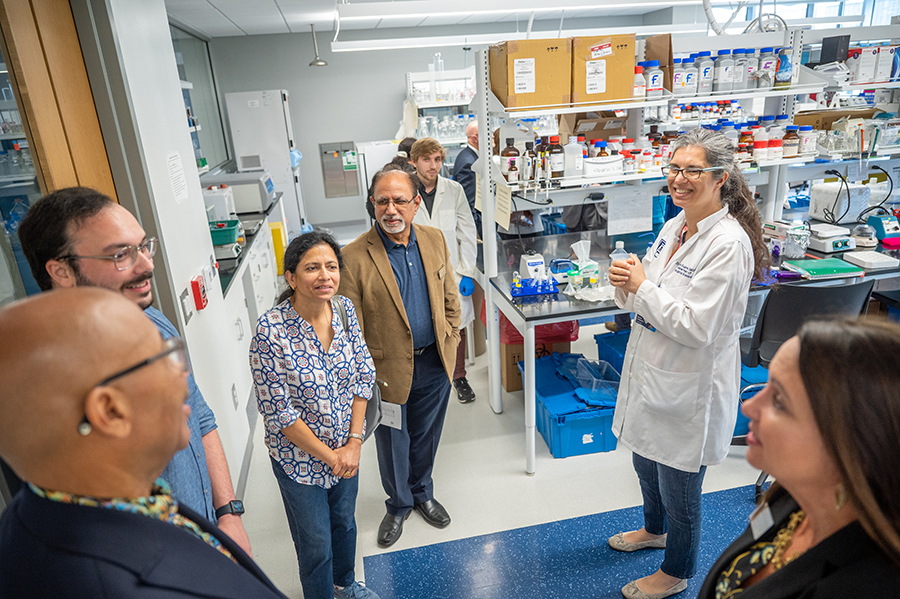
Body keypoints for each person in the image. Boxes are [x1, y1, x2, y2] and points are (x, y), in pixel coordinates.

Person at [0, 288, 286, 598]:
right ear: (110, 411)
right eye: (164, 359)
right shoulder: (109, 585)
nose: (183, 376)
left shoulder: (49, 514)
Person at [16, 187, 251, 555]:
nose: (146, 265)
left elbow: (200, 416)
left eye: (144, 246)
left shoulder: (151, 321)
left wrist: (228, 514)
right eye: (121, 255)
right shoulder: (51, 382)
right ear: (61, 270)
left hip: (206, 533)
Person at [606, 128, 769, 599]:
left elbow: (698, 326)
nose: (680, 179)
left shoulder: (728, 244)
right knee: (645, 462)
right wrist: (626, 283)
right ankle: (652, 531)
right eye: (675, 168)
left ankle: (676, 569)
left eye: (692, 170)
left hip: (689, 388)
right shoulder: (675, 226)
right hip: (653, 373)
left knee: (680, 490)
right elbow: (649, 292)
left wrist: (640, 288)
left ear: (720, 178)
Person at [698, 318, 900, 598]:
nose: (749, 407)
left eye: (779, 401)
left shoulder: (860, 586)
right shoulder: (793, 496)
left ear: (851, 444)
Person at [249, 231, 379, 599]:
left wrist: (353, 444)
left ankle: (346, 586)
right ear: (291, 278)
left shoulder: (344, 310)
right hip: (299, 461)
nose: (325, 275)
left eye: (331, 266)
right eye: (312, 268)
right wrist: (331, 457)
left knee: (344, 525)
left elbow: (362, 376)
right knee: (316, 543)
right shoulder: (270, 332)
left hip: (346, 450)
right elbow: (280, 415)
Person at [339, 165, 461, 548]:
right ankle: (398, 504)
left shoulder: (434, 239)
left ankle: (422, 493)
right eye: (382, 201)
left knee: (426, 434)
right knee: (393, 440)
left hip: (434, 361)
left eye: (400, 201)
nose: (391, 210)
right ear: (371, 204)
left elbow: (450, 297)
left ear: (416, 203)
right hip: (385, 370)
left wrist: (452, 337)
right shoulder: (354, 256)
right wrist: (363, 377)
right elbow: (350, 329)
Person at [410, 137, 478, 404]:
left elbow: (467, 232)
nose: (433, 165)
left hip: (452, 271)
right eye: (427, 159)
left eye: (438, 159)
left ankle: (458, 376)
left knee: (456, 325)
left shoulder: (454, 189)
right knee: (422, 323)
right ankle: (429, 379)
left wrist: (468, 271)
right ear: (414, 162)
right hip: (416, 271)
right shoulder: (404, 192)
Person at [452, 120, 482, 237]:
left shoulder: (470, 156)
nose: (493, 136)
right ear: (475, 138)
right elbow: (469, 202)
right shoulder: (468, 163)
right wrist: (478, 232)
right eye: (489, 133)